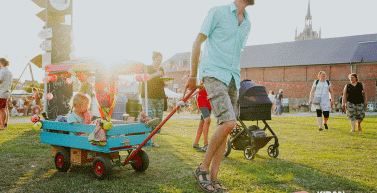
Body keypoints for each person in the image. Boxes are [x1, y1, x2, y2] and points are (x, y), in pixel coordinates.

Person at [185, 1, 253, 192]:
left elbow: (235, 52)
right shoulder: (217, 12)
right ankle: (202, 169)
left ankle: (214, 179)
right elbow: (197, 41)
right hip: (213, 72)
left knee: (224, 128)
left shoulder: (247, 23)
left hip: (233, 77)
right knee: (229, 123)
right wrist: (192, 75)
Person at [141, 51, 165, 148]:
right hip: (148, 96)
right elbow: (144, 79)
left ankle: (152, 140)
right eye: (157, 60)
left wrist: (165, 81)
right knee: (150, 117)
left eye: (160, 60)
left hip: (159, 96)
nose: (159, 62)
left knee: (158, 117)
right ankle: (148, 140)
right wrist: (156, 74)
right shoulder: (147, 68)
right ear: (153, 59)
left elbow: (162, 81)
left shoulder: (162, 69)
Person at [193, 85, 212, 152]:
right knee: (207, 120)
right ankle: (205, 144)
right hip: (202, 100)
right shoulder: (203, 76)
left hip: (209, 101)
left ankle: (196, 143)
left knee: (202, 122)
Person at [0, 58, 13, 130]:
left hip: (1, 92)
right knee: (5, 108)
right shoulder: (9, 72)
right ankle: (4, 124)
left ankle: (1, 125)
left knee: (1, 109)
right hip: (7, 92)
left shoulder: (2, 71)